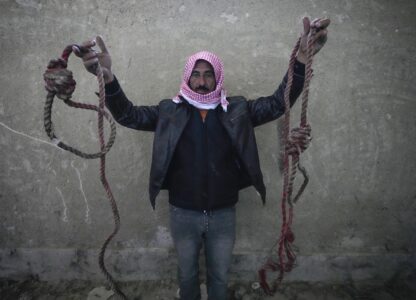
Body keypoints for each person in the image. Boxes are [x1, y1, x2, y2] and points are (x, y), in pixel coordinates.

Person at [74, 16, 330, 300]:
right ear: (187, 77)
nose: (202, 81)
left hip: (223, 213)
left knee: (220, 276)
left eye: (208, 74)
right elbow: (128, 115)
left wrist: (302, 60)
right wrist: (107, 78)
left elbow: (276, 103)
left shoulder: (237, 110)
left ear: (217, 77)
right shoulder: (168, 112)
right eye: (196, 74)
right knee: (187, 276)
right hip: (183, 213)